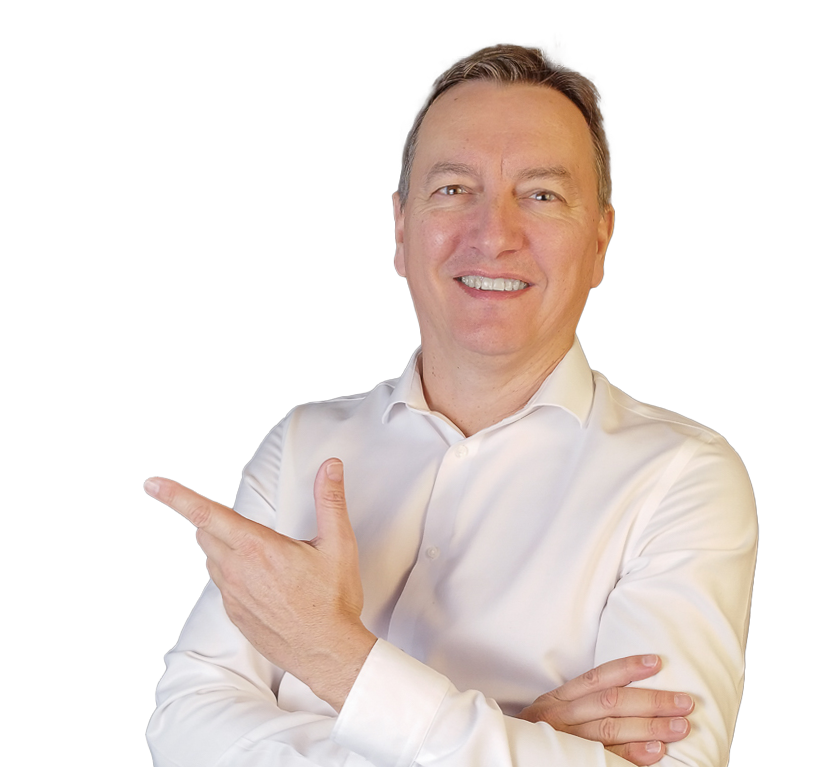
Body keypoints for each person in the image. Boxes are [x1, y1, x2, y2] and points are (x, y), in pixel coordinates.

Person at [145, 44, 757, 767]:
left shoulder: (685, 479)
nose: (493, 235)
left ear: (599, 241)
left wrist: (334, 655)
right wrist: (518, 737)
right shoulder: (303, 444)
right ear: (401, 232)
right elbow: (184, 723)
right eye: (454, 188)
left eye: (542, 194)